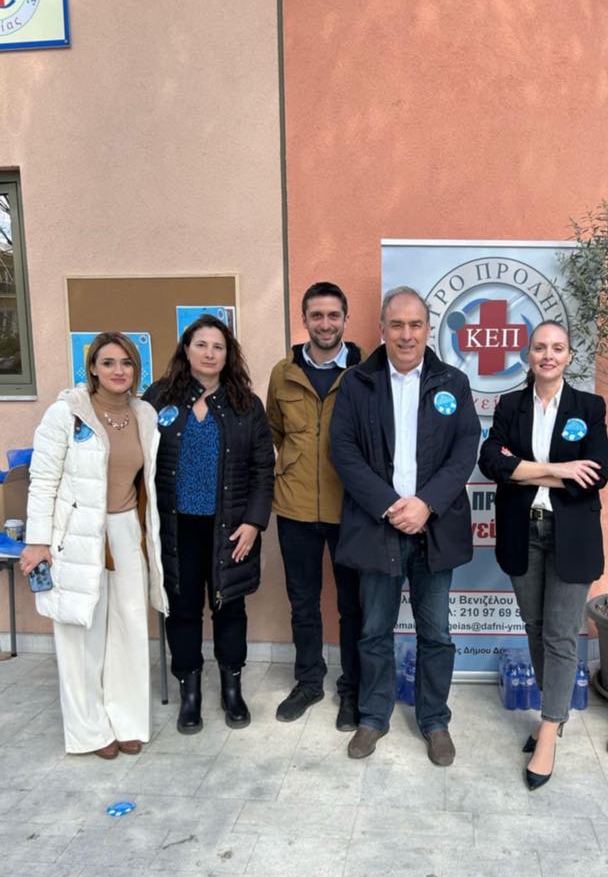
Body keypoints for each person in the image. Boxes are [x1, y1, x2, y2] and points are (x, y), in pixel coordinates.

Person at [330, 286, 480, 765]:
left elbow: (465, 449)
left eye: (415, 325)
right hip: (378, 526)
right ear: (382, 329)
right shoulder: (358, 383)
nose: (407, 334)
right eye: (397, 325)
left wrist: (426, 504)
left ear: (428, 329)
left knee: (436, 633)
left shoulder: (453, 382)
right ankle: (373, 717)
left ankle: (434, 720)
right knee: (374, 630)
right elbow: (343, 451)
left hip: (434, 527)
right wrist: (391, 506)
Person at [478, 320, 608, 789]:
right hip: (523, 532)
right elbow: (492, 462)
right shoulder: (509, 405)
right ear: (528, 355)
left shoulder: (589, 407)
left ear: (569, 356)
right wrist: (559, 469)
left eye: (557, 348)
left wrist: (524, 470)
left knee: (559, 634)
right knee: (535, 628)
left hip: (570, 536)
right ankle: (553, 712)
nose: (548, 355)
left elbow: (594, 474)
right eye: (540, 347)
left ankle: (550, 728)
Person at [20, 332, 166, 758]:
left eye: (126, 363)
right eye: (108, 363)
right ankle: (89, 730)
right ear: (93, 370)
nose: (118, 371)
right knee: (80, 633)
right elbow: (42, 481)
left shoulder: (144, 413)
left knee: (129, 628)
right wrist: (37, 542)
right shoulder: (67, 413)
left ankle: (126, 721)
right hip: (78, 534)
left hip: (126, 531)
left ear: (136, 370)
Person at [144, 314, 274, 735]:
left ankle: (232, 690)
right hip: (176, 528)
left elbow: (263, 470)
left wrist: (254, 523)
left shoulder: (246, 404)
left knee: (229, 607)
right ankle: (191, 694)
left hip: (230, 529)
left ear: (228, 354)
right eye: (201, 344)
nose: (210, 353)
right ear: (186, 349)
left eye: (218, 346)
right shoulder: (159, 398)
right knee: (181, 610)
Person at [267, 282, 364, 731]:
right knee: (303, 603)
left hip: (352, 507)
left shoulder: (365, 371)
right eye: (317, 316)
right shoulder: (282, 373)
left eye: (333, 315)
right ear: (304, 319)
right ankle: (308, 681)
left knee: (353, 606)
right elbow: (276, 430)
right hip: (295, 507)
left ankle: (353, 688)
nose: (325, 324)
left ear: (345, 319)